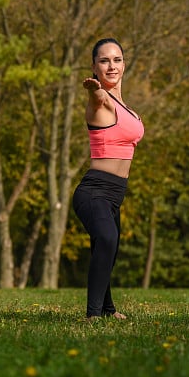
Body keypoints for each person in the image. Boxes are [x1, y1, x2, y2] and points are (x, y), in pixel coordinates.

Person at [72, 38, 144, 321]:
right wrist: (95, 91)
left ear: (124, 64)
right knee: (106, 239)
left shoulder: (128, 109)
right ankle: (92, 315)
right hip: (94, 192)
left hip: (115, 195)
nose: (111, 65)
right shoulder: (101, 100)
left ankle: (108, 309)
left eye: (116, 60)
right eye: (104, 60)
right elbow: (97, 97)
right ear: (94, 67)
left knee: (108, 249)